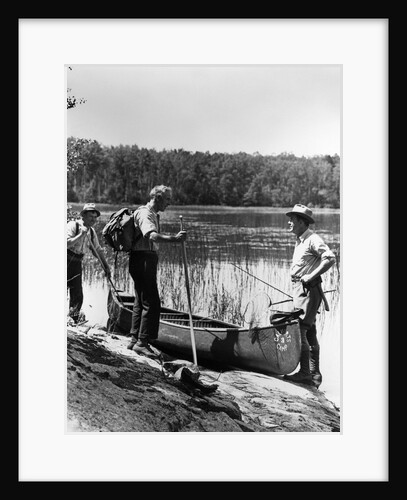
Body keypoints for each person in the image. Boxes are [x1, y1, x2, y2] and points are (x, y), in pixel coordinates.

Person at [127, 185, 187, 357]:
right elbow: (151, 235)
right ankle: (142, 342)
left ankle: (134, 339)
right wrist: (174, 239)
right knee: (151, 302)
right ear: (158, 197)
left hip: (143, 258)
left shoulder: (151, 213)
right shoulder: (145, 213)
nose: (169, 203)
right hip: (143, 258)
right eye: (167, 199)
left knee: (141, 299)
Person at [284, 204, 336, 388]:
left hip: (307, 288)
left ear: (302, 221)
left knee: (300, 328)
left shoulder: (312, 239)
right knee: (310, 330)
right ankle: (315, 375)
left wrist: (310, 276)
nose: (289, 222)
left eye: (292, 219)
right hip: (302, 288)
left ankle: (305, 373)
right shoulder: (300, 240)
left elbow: (330, 258)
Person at [67, 203, 111, 324]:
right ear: (83, 216)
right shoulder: (73, 225)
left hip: (77, 263)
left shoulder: (91, 232)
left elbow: (97, 250)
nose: (94, 219)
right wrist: (81, 235)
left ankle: (73, 320)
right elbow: (66, 244)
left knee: (77, 294)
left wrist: (106, 266)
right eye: (91, 216)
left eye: (95, 217)